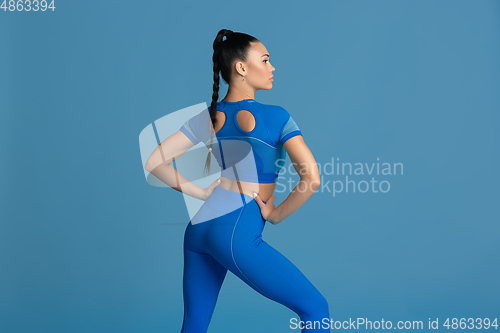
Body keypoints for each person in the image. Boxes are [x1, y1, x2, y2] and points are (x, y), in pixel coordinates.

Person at [145, 29, 330, 332]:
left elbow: (155, 162)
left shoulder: (209, 116)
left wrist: (199, 192)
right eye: (266, 60)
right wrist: (276, 214)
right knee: (316, 309)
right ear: (241, 68)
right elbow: (312, 177)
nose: (273, 68)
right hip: (235, 230)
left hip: (198, 229)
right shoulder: (276, 116)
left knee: (194, 324)